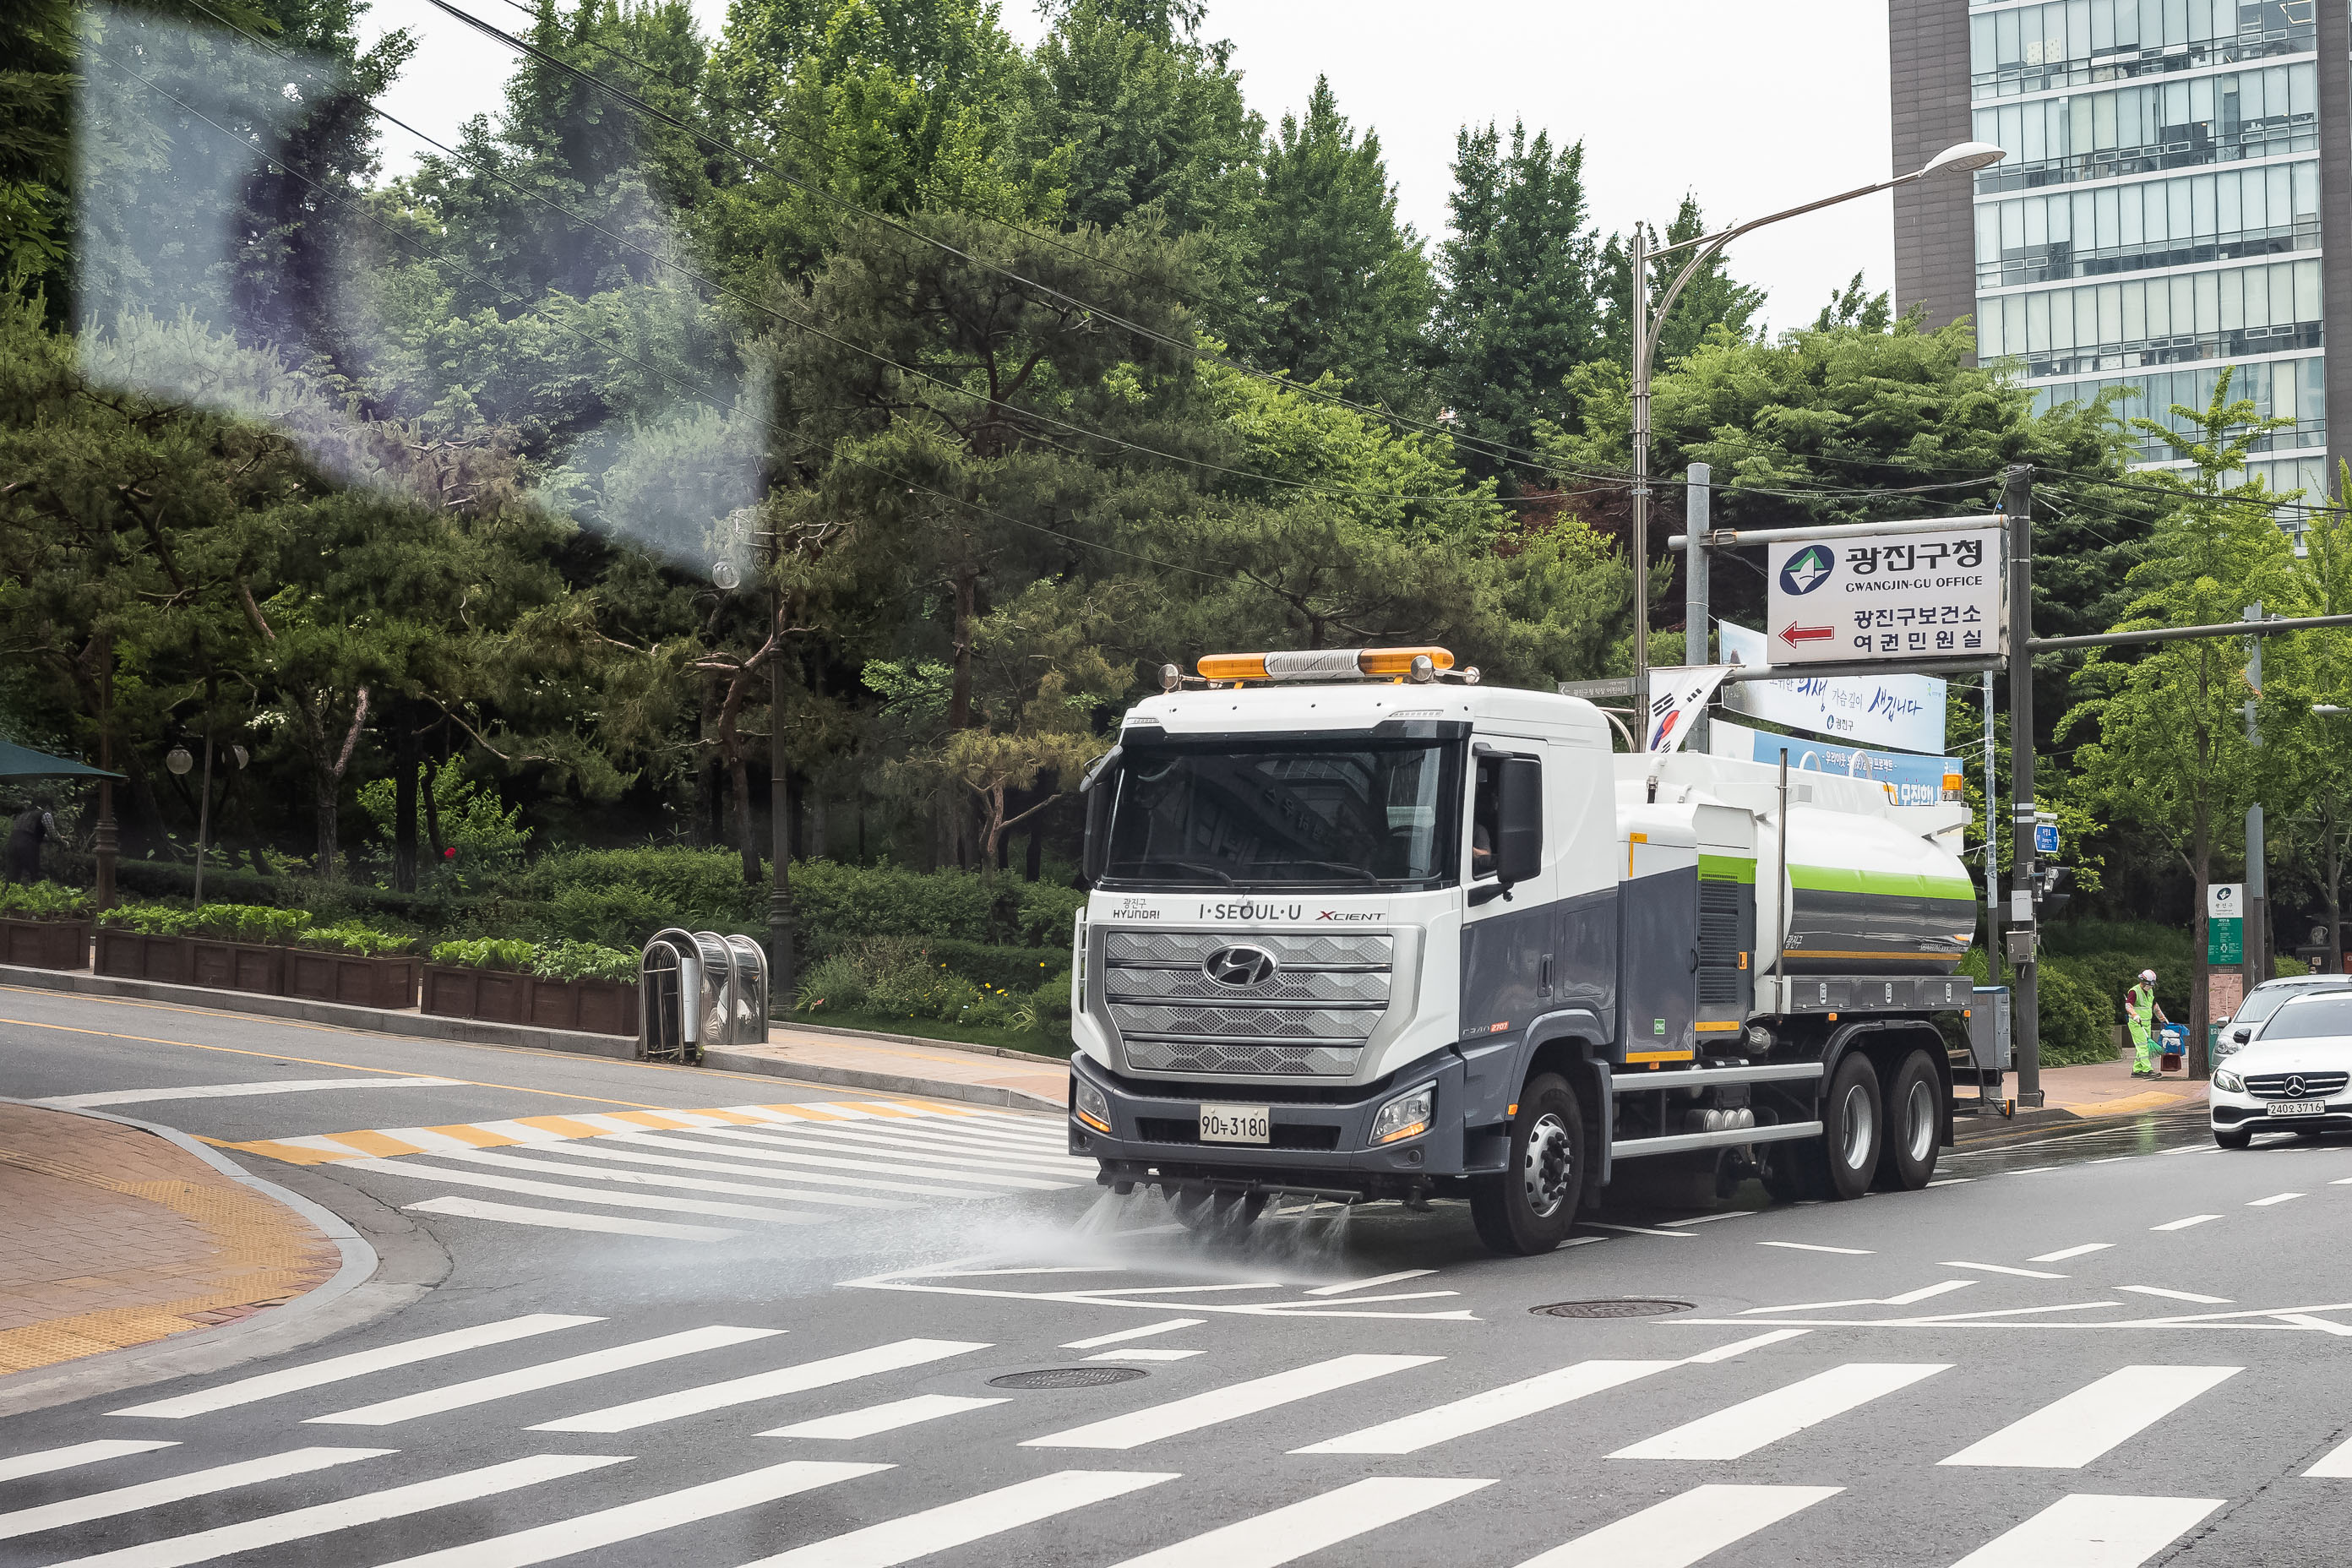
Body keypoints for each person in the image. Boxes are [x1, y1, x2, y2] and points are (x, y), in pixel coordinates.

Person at [2125, 969, 2168, 1078]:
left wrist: (2162, 1018)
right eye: (2149, 984)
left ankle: (2137, 1070)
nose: (2150, 987)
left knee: (2142, 1047)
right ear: (2142, 982)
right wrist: (2134, 1015)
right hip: (2136, 1023)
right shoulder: (2134, 991)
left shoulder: (2150, 991)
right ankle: (2147, 1070)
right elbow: (2128, 1006)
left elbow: (2154, 1006)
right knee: (2143, 1046)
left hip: (2146, 1023)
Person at [3, 807, 53, 885]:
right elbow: (52, 834)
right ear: (47, 806)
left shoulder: (23, 815)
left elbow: (25, 831)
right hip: (28, 844)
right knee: (33, 872)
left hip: (12, 842)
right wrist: (61, 840)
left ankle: (8, 893)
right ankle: (35, 891)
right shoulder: (45, 814)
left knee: (12, 875)